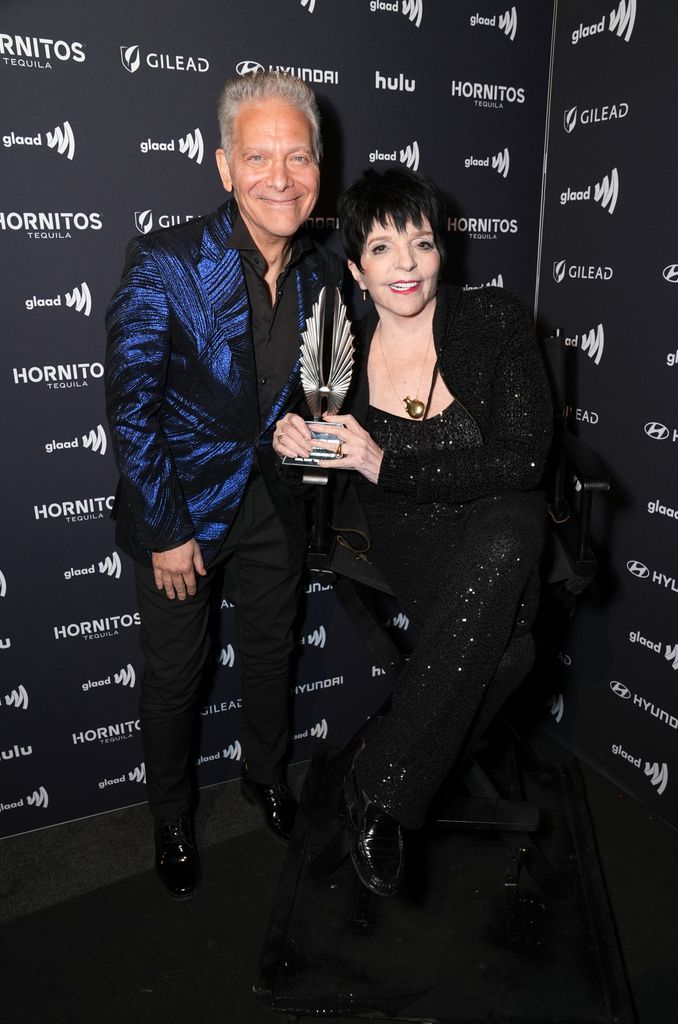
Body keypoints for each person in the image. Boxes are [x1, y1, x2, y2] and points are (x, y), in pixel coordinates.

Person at [273, 167, 552, 895]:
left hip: (501, 514)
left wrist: (385, 462)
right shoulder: (338, 351)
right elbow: (304, 476)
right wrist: (291, 444)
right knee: (512, 654)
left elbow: (523, 459)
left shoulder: (491, 319)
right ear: (357, 271)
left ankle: (382, 785)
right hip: (409, 532)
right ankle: (395, 767)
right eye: (382, 248)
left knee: (505, 540)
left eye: (421, 243)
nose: (406, 264)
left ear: (440, 252)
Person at [105, 71, 342, 900]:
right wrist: (167, 529)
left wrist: (309, 430)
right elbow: (131, 409)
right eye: (258, 156)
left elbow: (315, 392)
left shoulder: (321, 273)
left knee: (273, 654)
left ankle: (264, 777)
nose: (281, 177)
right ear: (224, 165)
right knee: (176, 678)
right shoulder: (165, 263)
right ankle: (171, 815)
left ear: (318, 168)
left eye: (298, 157)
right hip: (182, 511)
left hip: (275, 505)